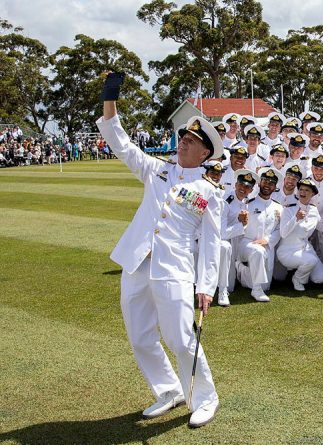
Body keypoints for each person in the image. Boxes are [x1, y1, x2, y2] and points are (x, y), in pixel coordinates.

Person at [96, 74, 222, 428]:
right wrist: (110, 97)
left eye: (191, 140)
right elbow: (121, 144)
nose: (183, 142)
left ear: (205, 152)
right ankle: (169, 389)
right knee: (139, 335)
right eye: (182, 136)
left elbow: (213, 243)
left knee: (181, 338)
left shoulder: (210, 191)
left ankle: (205, 397)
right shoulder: (157, 170)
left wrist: (206, 287)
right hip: (137, 261)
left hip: (174, 268)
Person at [237, 167, 283, 302]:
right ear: (259, 183)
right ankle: (256, 290)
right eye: (265, 182)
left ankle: (256, 283)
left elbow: (279, 229)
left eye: (271, 183)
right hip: (247, 244)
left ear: (275, 187)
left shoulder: (278, 207)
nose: (267, 185)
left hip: (267, 247)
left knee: (266, 285)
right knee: (257, 251)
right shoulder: (247, 204)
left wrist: (267, 240)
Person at [277, 178, 323, 291]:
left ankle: (304, 269)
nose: (302, 192)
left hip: (305, 249)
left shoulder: (314, 210)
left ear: (313, 194)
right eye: (300, 189)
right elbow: (283, 233)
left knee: (321, 278)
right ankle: (298, 279)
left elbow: (322, 227)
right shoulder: (289, 209)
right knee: (311, 261)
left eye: (306, 190)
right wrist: (296, 219)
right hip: (288, 251)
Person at [217, 169, 257, 306]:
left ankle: (241, 269)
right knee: (230, 287)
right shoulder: (226, 201)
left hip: (239, 241)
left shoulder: (248, 201)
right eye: (241, 184)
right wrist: (242, 224)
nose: (243, 188)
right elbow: (221, 233)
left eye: (247, 187)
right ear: (235, 185)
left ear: (251, 190)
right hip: (223, 242)